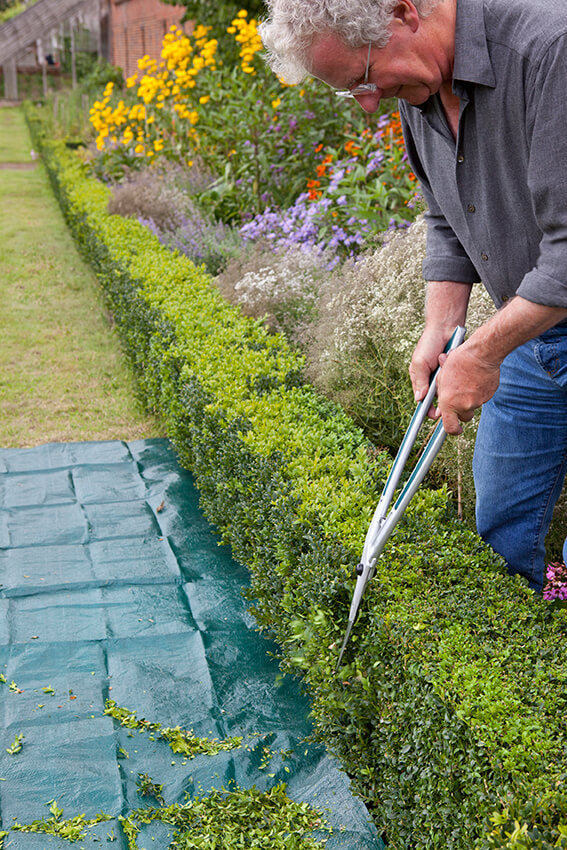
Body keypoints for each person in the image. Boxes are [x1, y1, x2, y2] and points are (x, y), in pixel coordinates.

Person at [258, 0, 567, 592]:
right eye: (352, 92)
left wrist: (480, 355)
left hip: (536, 314)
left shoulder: (550, 51)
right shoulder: (419, 88)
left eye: (364, 78)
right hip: (533, 331)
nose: (368, 103)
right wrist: (441, 327)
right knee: (500, 533)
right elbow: (448, 216)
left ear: (402, 13)